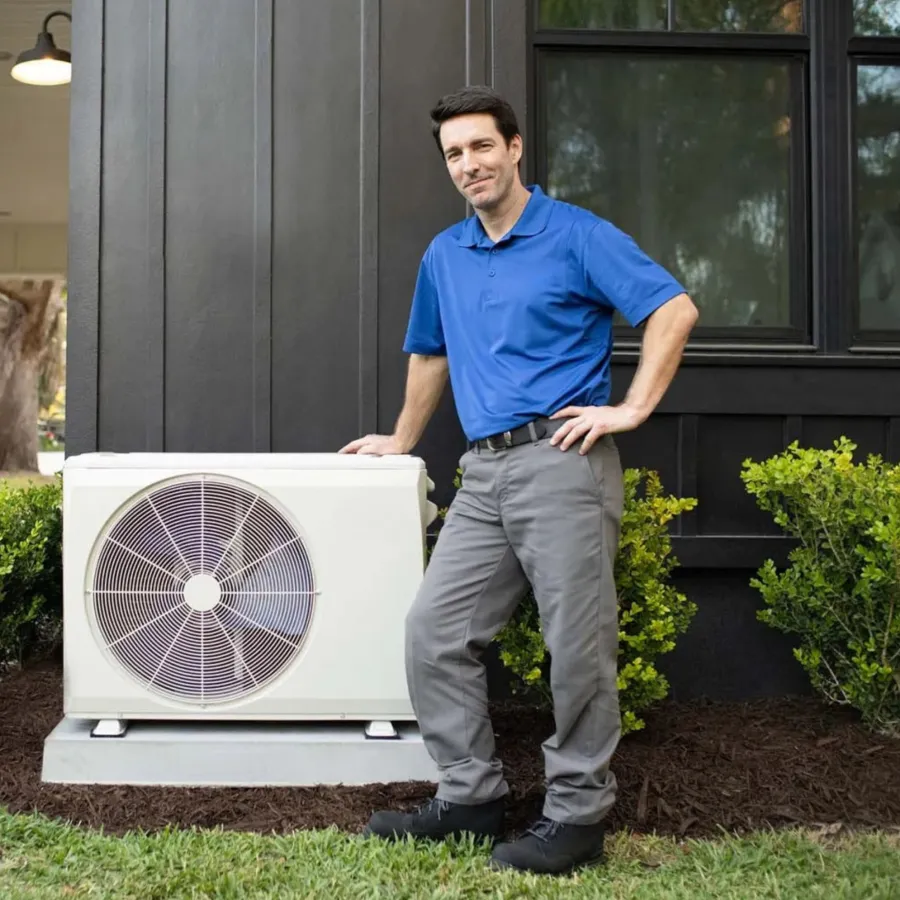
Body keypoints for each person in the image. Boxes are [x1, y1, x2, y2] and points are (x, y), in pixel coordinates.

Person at [339, 85, 698, 875]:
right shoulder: (445, 253)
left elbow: (671, 308)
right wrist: (402, 439)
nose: (469, 165)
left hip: (562, 466)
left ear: (514, 148)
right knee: (433, 634)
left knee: (577, 650)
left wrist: (630, 409)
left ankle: (576, 816)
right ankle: (471, 798)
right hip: (483, 472)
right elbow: (430, 353)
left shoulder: (573, 235)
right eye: (454, 155)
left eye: (481, 147)